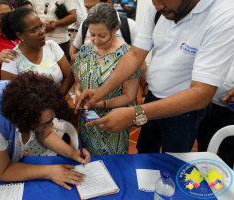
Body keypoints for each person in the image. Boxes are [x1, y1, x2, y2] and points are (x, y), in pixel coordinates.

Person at [75, 0, 234, 153]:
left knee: (173, 159)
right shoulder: (159, 8)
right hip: (151, 98)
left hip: (184, 111)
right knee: (145, 150)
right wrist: (101, 92)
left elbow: (201, 93)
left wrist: (133, 113)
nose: (156, 5)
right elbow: (136, 55)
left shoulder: (223, 15)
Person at [74, 3, 141, 155]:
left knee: (113, 167)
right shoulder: (85, 50)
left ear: (115, 29)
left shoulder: (128, 55)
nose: (96, 40)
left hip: (113, 122)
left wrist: (102, 103)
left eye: (102, 35)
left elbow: (129, 96)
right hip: (87, 121)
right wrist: (78, 93)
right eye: (92, 34)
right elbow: (78, 81)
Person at [0, 8, 74, 96]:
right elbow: (13, 96)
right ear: (20, 35)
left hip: (58, 103)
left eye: (41, 26)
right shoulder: (12, 59)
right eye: (34, 30)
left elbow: (69, 77)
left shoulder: (52, 46)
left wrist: (56, 100)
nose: (42, 31)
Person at [69, 0, 139, 63]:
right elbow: (74, 48)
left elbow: (139, 59)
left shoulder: (130, 26)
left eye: (102, 35)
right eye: (87, 8)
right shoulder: (84, 25)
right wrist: (76, 58)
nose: (89, 11)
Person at [197, 61, 234, 168]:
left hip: (231, 111)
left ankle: (223, 182)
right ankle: (201, 178)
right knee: (203, 149)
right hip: (207, 104)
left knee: (228, 153)